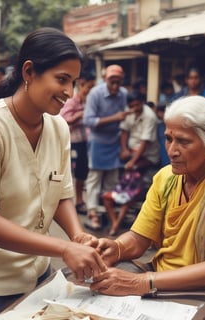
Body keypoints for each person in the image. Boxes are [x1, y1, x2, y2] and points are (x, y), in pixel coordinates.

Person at [0, 27, 107, 320]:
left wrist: (78, 237)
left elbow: (62, 193)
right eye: (62, 79)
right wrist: (64, 248)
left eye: (74, 82)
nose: (69, 92)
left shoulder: (58, 128)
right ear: (29, 72)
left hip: (36, 272)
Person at [91, 96, 205, 320]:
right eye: (168, 139)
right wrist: (115, 247)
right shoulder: (165, 178)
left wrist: (141, 282)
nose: (171, 150)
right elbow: (139, 239)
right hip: (162, 280)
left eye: (183, 141)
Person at [102, 90, 160, 236]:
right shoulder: (129, 112)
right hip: (132, 154)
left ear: (142, 102)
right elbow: (124, 132)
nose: (135, 108)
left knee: (132, 188)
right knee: (120, 184)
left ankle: (117, 224)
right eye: (132, 105)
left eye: (137, 105)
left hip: (147, 155)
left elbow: (145, 142)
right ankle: (116, 223)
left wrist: (133, 161)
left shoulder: (150, 117)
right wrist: (124, 151)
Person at [83, 64, 129, 231]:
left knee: (112, 178)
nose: (115, 86)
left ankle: (109, 212)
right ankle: (93, 213)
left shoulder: (124, 94)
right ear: (105, 80)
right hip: (98, 141)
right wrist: (113, 118)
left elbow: (125, 118)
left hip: (115, 141)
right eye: (112, 82)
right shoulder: (95, 93)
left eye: (118, 82)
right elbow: (88, 121)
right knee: (95, 178)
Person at [60, 72, 96, 215]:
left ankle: (79, 201)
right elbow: (63, 119)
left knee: (82, 173)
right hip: (72, 141)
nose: (90, 90)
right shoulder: (71, 101)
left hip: (84, 141)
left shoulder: (87, 102)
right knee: (70, 174)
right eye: (89, 87)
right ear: (81, 84)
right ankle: (70, 204)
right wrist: (80, 115)